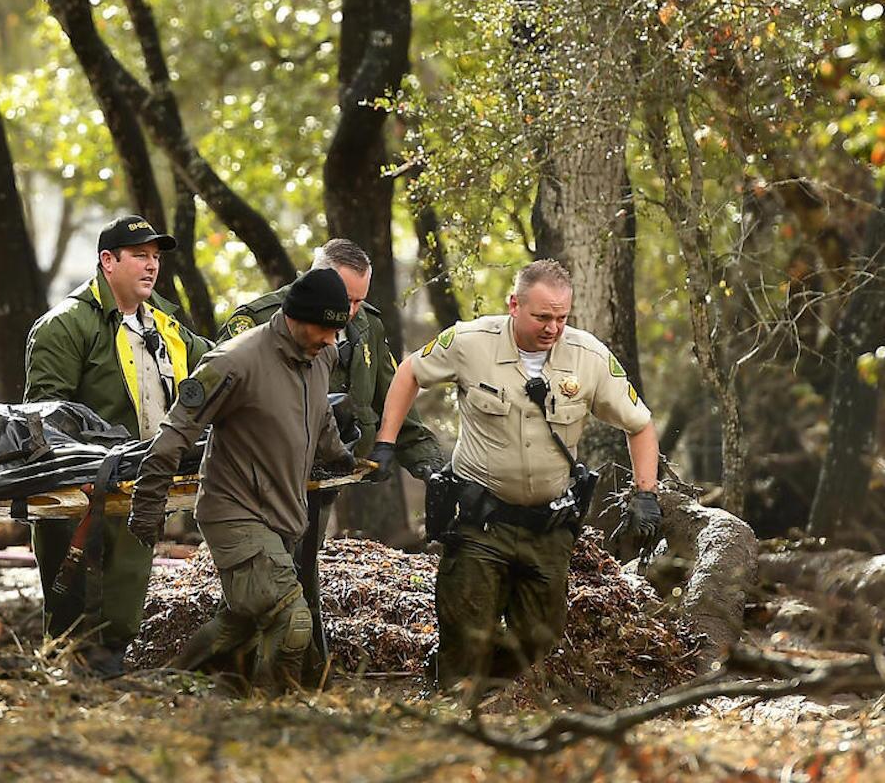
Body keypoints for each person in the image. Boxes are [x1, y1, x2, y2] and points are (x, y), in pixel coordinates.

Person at [370, 259, 662, 694]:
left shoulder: (590, 358)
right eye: (542, 316)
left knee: (539, 637)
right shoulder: (471, 342)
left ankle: (487, 691)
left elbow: (639, 424)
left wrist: (646, 493)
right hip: (479, 519)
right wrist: (386, 442)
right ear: (514, 305)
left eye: (561, 317)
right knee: (464, 632)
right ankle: (450, 709)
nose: (553, 328)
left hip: (548, 526)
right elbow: (411, 370)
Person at [129, 268, 357, 693]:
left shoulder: (321, 353)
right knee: (292, 620)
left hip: (283, 512)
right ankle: (270, 717)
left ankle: (177, 686)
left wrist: (340, 457)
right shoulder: (235, 361)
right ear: (295, 316)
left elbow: (321, 414)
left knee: (243, 619)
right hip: (234, 511)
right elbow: (173, 435)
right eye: (325, 328)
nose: (331, 340)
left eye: (336, 330)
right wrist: (148, 506)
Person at [24, 214, 212, 675]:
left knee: (123, 604)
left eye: (155, 258)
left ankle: (105, 688)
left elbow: (219, 369)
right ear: (108, 261)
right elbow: (45, 418)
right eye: (139, 257)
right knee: (74, 610)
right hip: (81, 493)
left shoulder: (165, 325)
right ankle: (68, 690)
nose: (151, 267)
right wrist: (79, 482)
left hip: (141, 487)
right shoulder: (65, 325)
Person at [219, 238, 444, 481]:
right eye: (346, 299)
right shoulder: (259, 320)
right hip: (263, 473)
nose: (351, 311)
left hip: (334, 474)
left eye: (359, 301)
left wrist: (426, 462)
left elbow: (393, 396)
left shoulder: (368, 324)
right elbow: (222, 396)